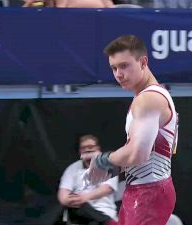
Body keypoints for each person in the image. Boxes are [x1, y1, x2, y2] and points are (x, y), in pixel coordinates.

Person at [81, 35, 179, 225]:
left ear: (143, 62)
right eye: (114, 68)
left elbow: (138, 154)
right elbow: (147, 152)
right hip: (144, 188)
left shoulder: (148, 99)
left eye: (124, 66)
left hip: (149, 191)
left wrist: (104, 160)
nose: (118, 74)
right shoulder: (147, 96)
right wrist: (117, 165)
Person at [57, 134, 118, 225]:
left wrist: (84, 198)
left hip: (104, 211)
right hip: (79, 214)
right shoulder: (72, 169)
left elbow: (106, 189)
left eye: (90, 147)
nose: (87, 150)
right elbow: (63, 194)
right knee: (78, 207)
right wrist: (69, 200)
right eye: (83, 148)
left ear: (98, 149)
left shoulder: (108, 166)